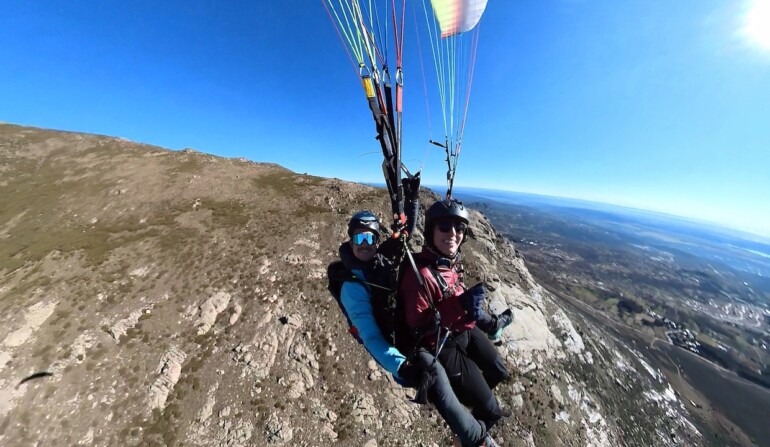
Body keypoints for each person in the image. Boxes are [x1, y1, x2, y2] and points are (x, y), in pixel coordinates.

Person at [334, 180, 502, 447]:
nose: (365, 244)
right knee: (437, 380)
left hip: (404, 327)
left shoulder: (381, 257)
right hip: (399, 349)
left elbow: (404, 234)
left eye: (371, 238)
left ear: (377, 240)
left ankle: (476, 415)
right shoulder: (352, 287)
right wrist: (403, 367)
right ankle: (476, 440)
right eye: (359, 238)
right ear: (350, 239)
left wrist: (411, 200)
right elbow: (371, 336)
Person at [399, 198, 513, 440]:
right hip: (443, 342)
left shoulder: (450, 262)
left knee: (500, 371)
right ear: (431, 230)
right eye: (445, 227)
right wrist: (460, 305)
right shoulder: (419, 275)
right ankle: (474, 431)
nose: (453, 234)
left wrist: (470, 308)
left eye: (459, 228)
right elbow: (418, 326)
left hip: (464, 330)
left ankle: (475, 398)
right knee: (491, 413)